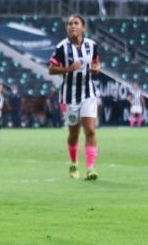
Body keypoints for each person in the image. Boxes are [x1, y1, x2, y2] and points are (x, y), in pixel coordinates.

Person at [49, 14, 101, 181]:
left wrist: (96, 69)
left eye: (76, 23)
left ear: (83, 27)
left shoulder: (92, 45)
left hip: (89, 93)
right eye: (70, 24)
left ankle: (90, 169)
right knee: (74, 133)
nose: (72, 26)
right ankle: (73, 163)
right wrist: (68, 69)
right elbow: (51, 69)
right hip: (69, 96)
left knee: (91, 130)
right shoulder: (61, 48)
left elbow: (96, 63)